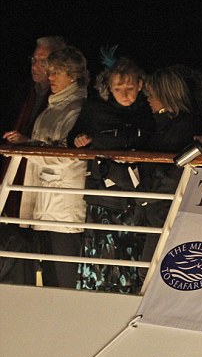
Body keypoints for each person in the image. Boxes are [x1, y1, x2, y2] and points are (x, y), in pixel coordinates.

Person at [68, 53, 154, 293]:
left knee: (133, 257)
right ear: (108, 87)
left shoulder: (148, 109)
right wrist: (79, 141)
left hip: (137, 197)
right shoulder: (95, 108)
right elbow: (72, 138)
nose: (125, 94)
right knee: (100, 257)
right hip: (103, 196)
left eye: (129, 88)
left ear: (140, 84)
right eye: (118, 89)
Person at [7, 46, 89, 288]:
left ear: (73, 76)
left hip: (62, 208)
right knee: (45, 277)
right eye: (50, 72)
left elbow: (68, 155)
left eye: (56, 72)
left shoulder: (77, 108)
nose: (50, 77)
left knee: (62, 278)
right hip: (43, 205)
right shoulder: (53, 107)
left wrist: (27, 147)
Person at [136, 67, 196, 269]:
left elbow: (177, 170)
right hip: (156, 207)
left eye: (151, 95)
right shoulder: (161, 124)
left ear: (165, 95)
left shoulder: (184, 126)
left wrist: (149, 192)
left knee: (152, 270)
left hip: (166, 208)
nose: (148, 100)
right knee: (149, 269)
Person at [2, 36, 67, 218]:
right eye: (34, 60)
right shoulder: (24, 90)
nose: (35, 66)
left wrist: (27, 141)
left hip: (46, 177)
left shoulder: (64, 99)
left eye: (42, 61)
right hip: (16, 166)